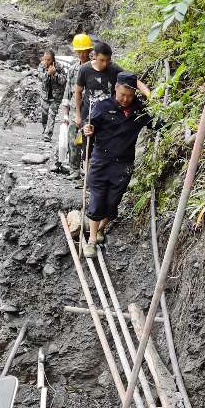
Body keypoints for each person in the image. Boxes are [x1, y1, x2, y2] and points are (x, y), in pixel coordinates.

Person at [81, 72, 158, 257]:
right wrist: (87, 128)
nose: (126, 99)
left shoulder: (139, 110)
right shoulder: (102, 106)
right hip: (101, 160)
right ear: (116, 89)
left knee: (113, 200)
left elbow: (156, 123)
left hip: (123, 163)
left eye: (130, 96)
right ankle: (91, 240)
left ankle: (100, 229)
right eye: (123, 94)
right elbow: (88, 125)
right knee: (97, 198)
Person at [74, 40, 150, 126]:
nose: (105, 64)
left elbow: (134, 81)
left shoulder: (114, 68)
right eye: (102, 60)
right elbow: (78, 92)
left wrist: (149, 95)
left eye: (108, 60)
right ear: (94, 56)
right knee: (87, 136)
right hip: (88, 113)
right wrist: (78, 115)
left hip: (108, 114)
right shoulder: (84, 69)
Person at [57, 33, 93, 179]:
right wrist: (65, 114)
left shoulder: (94, 68)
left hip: (90, 110)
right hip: (74, 110)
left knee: (88, 142)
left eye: (85, 51)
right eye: (79, 51)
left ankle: (89, 173)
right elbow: (68, 91)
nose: (82, 54)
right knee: (73, 141)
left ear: (89, 51)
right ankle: (74, 170)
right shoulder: (73, 69)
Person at [38, 48, 67, 141]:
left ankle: (48, 135)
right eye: (45, 59)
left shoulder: (60, 66)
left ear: (53, 59)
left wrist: (55, 74)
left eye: (48, 59)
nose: (46, 61)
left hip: (56, 96)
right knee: (44, 114)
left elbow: (63, 81)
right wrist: (48, 74)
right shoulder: (41, 66)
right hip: (44, 94)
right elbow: (41, 78)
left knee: (52, 114)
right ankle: (45, 130)